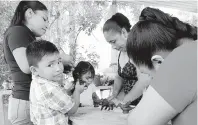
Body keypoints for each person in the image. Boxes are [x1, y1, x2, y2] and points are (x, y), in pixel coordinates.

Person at [126, 7, 197, 125]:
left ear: (158, 62)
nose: (151, 81)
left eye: (148, 74)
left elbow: (137, 122)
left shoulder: (182, 59)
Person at [3, 1, 48, 124]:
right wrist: (57, 58)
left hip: (27, 101)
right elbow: (27, 66)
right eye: (44, 19)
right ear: (29, 13)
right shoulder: (18, 31)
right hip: (24, 101)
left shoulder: (26, 35)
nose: (47, 24)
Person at [26, 40, 85, 125]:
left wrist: (67, 91)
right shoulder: (50, 89)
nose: (58, 68)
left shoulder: (37, 81)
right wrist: (78, 91)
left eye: (59, 61)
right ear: (34, 70)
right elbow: (72, 110)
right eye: (50, 65)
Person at [102, 13, 149, 107]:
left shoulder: (139, 48)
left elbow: (144, 81)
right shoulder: (121, 52)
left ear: (123, 32)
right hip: (128, 102)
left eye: (113, 41)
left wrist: (123, 101)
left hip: (143, 103)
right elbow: (120, 77)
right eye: (110, 43)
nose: (113, 47)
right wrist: (114, 97)